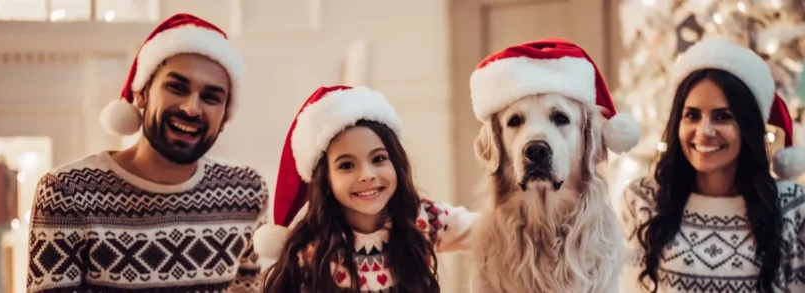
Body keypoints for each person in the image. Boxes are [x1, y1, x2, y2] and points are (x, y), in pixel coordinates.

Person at [26, 14, 267, 293]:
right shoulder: (66, 192)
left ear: (224, 117)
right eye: (176, 87)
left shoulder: (247, 193)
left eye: (211, 97)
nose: (191, 108)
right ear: (141, 93)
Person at [619, 37, 805, 292]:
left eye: (722, 116)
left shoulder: (792, 207)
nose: (704, 130)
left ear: (748, 127)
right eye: (692, 115)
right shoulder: (643, 200)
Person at [251, 85, 476, 292]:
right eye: (347, 165)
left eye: (378, 159)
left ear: (396, 163)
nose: (367, 175)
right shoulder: (310, 251)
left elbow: (489, 229)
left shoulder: (425, 220)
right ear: (325, 179)